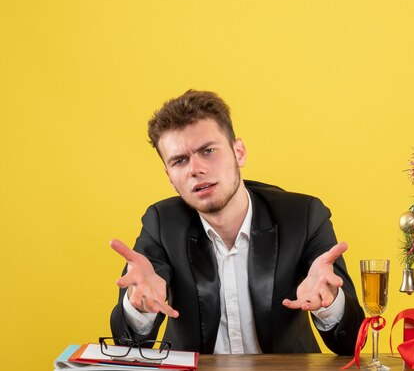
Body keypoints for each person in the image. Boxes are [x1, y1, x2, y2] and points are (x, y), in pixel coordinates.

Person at [109, 90, 364, 355]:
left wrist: (330, 303)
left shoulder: (304, 216)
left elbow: (351, 343)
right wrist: (138, 308)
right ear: (170, 177)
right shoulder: (161, 224)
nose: (195, 169)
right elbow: (129, 347)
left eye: (208, 151)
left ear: (238, 152)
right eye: (180, 161)